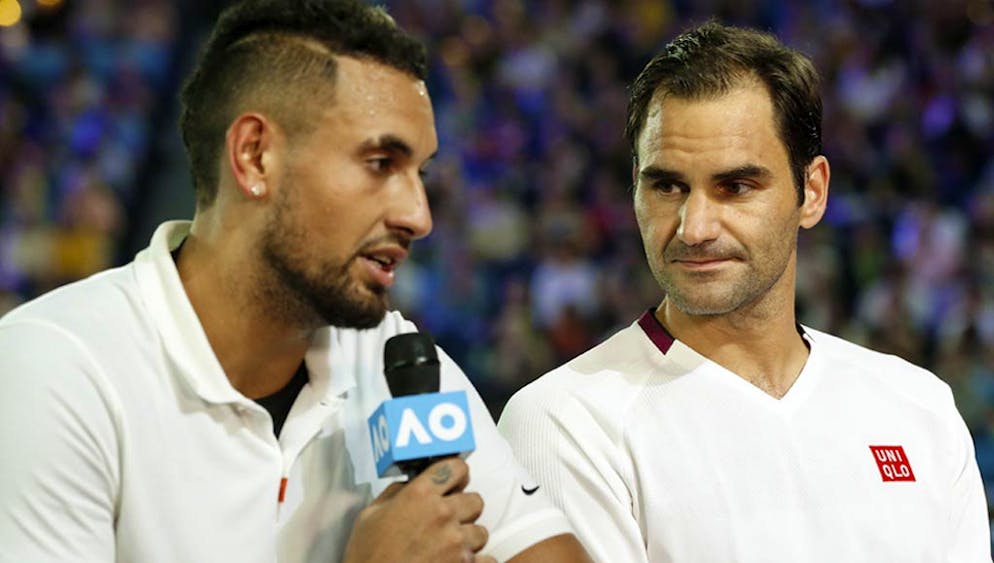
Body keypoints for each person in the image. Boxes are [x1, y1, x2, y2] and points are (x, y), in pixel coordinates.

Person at [0, 1, 591, 562]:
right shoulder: (59, 367)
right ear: (255, 156)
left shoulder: (395, 365)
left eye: (421, 173)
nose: (419, 215)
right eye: (380, 164)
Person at [498, 21, 991, 562]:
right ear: (635, 187)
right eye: (668, 186)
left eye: (735, 187)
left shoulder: (919, 407)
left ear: (812, 192)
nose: (694, 228)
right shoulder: (563, 422)